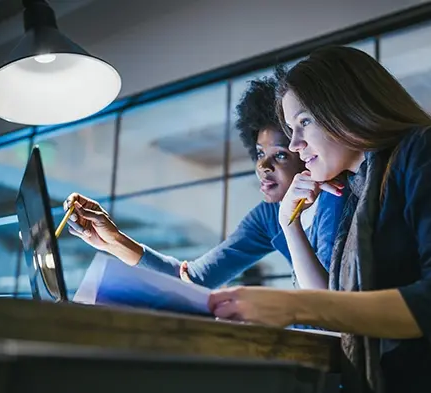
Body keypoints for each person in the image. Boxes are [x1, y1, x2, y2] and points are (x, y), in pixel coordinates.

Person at [206, 46, 431, 393]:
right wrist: (289, 223)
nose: (296, 144)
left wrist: (291, 305)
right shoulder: (359, 188)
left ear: (345, 107)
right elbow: (335, 309)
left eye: (304, 122)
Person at [65, 68, 345, 289]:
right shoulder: (269, 216)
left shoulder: (336, 199)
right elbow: (193, 280)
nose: (263, 166)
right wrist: (112, 240)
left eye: (280, 155)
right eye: (259, 153)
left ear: (303, 150)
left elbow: (331, 304)